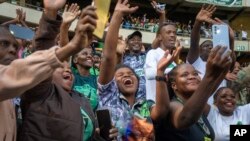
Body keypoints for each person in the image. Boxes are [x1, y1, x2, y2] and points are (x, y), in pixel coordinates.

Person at [18, 1, 117, 141]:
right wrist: (54, 17)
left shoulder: (83, 100)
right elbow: (42, 56)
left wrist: (99, 136)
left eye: (68, 67)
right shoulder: (40, 94)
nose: (68, 69)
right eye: (60, 67)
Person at [98, 0, 174, 140]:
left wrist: (162, 16)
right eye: (121, 74)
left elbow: (159, 38)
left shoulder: (145, 106)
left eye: (131, 74)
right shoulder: (110, 97)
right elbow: (108, 58)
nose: (127, 75)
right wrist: (117, 16)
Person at [156, 46, 232, 141]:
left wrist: (224, 69)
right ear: (174, 85)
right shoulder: (172, 106)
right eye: (185, 75)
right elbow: (185, 118)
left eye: (195, 74)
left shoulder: (199, 104)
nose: (192, 77)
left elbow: (207, 90)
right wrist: (209, 75)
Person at [186, 5, 235, 104]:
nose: (210, 47)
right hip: (203, 107)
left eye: (212, 45)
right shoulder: (196, 63)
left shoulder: (219, 64)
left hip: (220, 109)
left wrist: (231, 39)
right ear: (199, 50)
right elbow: (194, 42)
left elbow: (230, 58)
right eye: (206, 45)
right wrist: (197, 23)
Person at [144, 21, 180, 101]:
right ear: (159, 37)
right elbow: (149, 74)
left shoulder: (171, 57)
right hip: (154, 104)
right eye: (168, 32)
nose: (172, 35)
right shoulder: (153, 52)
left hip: (169, 103)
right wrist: (177, 71)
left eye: (174, 33)